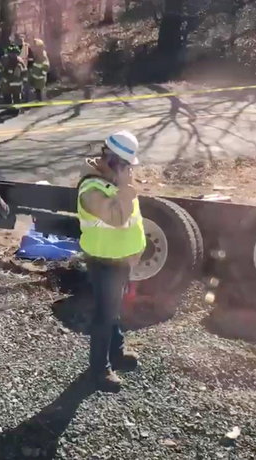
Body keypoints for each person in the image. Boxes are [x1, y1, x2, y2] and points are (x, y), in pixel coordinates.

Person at [77, 131, 146, 392]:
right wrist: (127, 192)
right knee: (104, 316)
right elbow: (116, 219)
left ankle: (116, 353)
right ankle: (99, 370)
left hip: (121, 261)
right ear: (114, 162)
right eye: (126, 166)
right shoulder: (91, 189)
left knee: (115, 310)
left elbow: (130, 223)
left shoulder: (112, 183)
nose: (130, 171)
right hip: (103, 261)